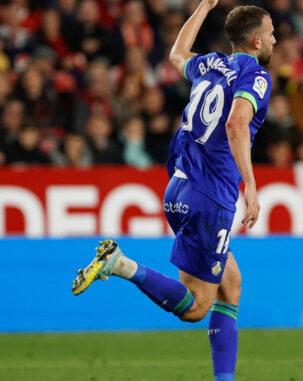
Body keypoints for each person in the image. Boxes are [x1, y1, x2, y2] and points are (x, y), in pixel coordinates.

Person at [71, 2, 275, 381]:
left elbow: (177, 53)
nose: (276, 39)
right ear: (257, 39)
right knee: (197, 307)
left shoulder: (212, 64)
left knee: (230, 285)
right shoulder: (256, 76)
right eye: (272, 32)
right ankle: (121, 264)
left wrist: (204, 6)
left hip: (178, 186)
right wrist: (250, 184)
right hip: (210, 196)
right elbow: (236, 123)